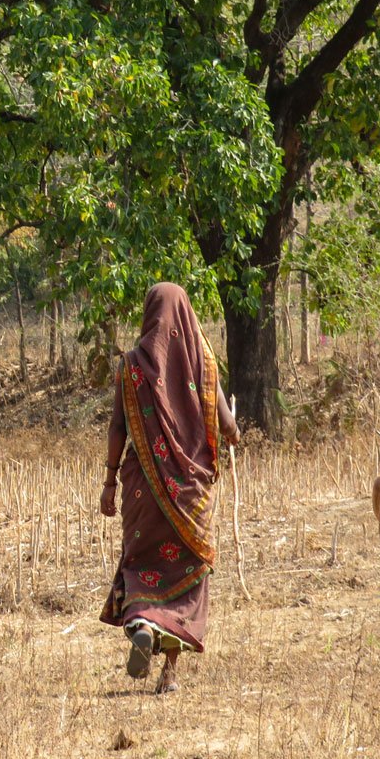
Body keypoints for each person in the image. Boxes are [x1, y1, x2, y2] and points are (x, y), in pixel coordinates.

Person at [98, 282, 240, 694]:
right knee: (187, 571)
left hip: (141, 492)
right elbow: (228, 428)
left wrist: (109, 481)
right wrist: (232, 431)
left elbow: (116, 428)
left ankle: (142, 621)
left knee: (143, 563)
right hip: (189, 494)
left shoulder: (131, 367)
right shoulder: (204, 365)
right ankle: (170, 674)